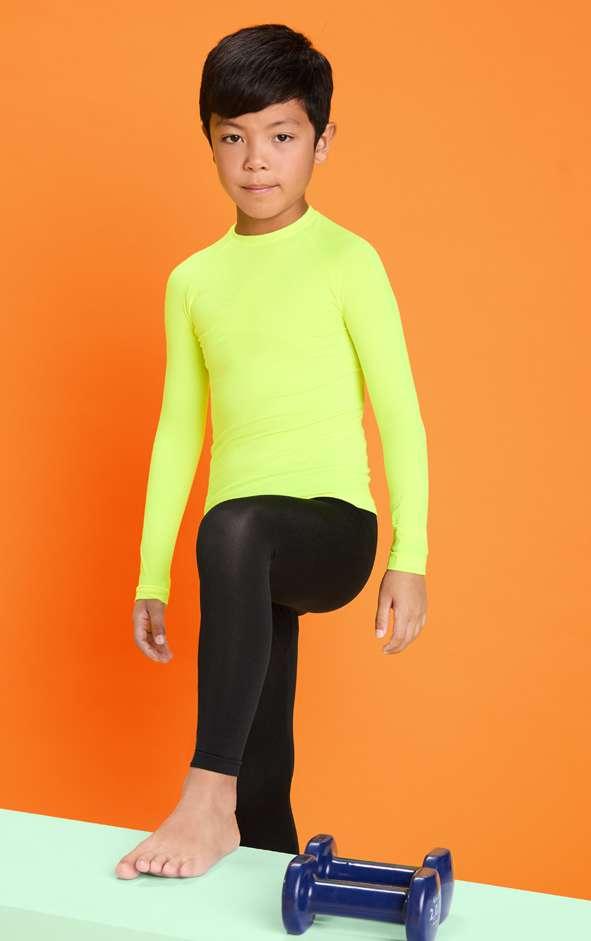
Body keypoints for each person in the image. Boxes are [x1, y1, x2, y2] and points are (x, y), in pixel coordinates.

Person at [115, 23, 429, 881]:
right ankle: (260, 850)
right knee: (263, 768)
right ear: (210, 143)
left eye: (281, 137)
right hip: (242, 554)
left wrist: (409, 556)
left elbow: (399, 411)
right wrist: (150, 574)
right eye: (233, 138)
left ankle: (202, 794)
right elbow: (179, 428)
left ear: (321, 143)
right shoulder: (193, 281)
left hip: (331, 531)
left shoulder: (348, 260)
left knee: (233, 525)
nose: (256, 161)